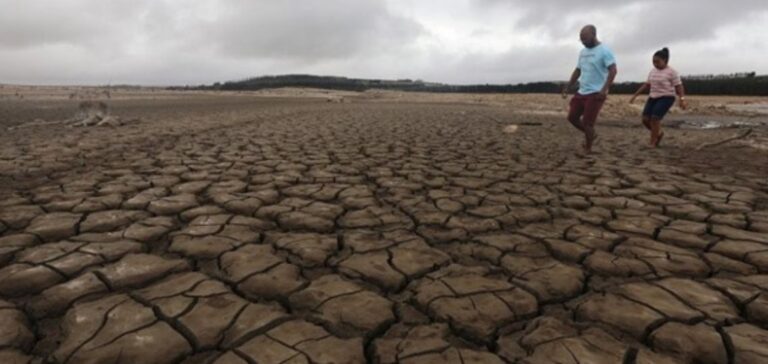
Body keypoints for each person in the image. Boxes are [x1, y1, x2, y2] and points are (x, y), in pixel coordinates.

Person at [562, 25, 618, 154]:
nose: (583, 42)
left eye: (585, 39)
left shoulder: (604, 51)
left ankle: (588, 148)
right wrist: (568, 86)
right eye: (581, 40)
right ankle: (592, 135)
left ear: (594, 35)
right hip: (582, 91)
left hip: (596, 92)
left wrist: (604, 90)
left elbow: (613, 71)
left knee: (588, 122)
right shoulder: (582, 52)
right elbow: (578, 70)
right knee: (572, 117)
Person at [629, 47, 688, 147]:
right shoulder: (653, 71)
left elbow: (679, 86)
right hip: (653, 97)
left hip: (666, 97)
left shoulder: (672, 72)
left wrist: (682, 99)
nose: (655, 64)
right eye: (653, 62)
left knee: (655, 119)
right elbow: (647, 84)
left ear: (664, 60)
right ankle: (658, 134)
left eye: (657, 61)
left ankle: (653, 142)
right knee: (645, 120)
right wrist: (635, 96)